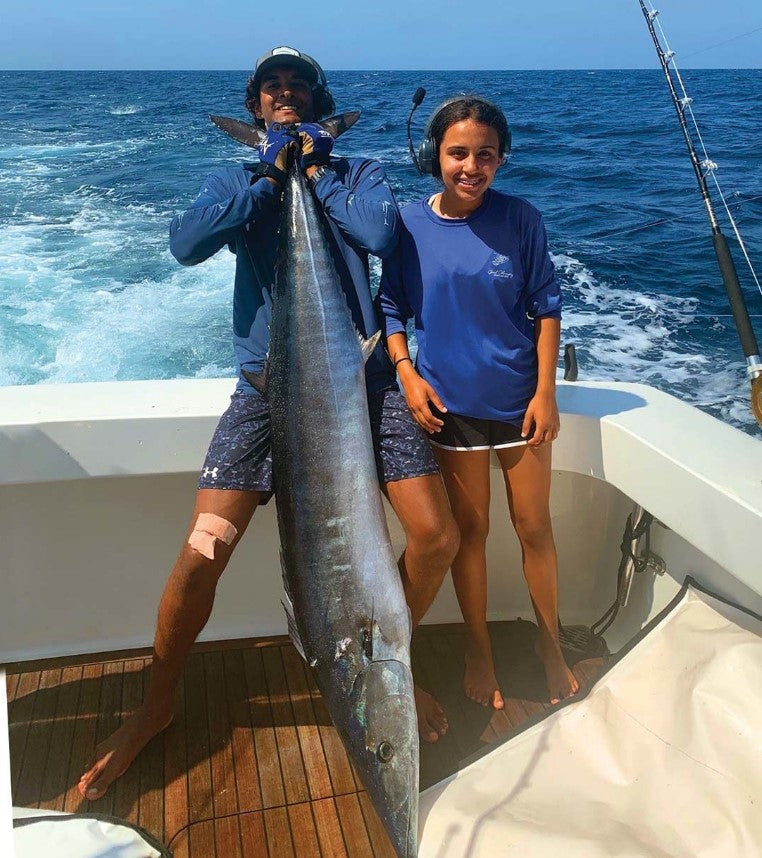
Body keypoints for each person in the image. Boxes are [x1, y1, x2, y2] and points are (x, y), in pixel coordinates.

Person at [78, 47, 459, 802]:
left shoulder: (359, 173)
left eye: (298, 88)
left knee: (437, 537)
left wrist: (315, 170)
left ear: (318, 101)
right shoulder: (236, 176)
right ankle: (157, 704)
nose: (285, 95)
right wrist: (265, 175)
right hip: (266, 389)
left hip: (363, 383)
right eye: (272, 89)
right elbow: (186, 246)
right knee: (201, 552)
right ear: (255, 106)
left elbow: (383, 238)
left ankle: (392, 663)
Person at [378, 95, 579, 709]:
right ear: (434, 155)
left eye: (485, 155)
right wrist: (407, 374)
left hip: (519, 402)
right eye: (457, 153)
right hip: (451, 408)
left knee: (534, 527)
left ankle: (551, 645)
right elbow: (391, 308)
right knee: (472, 532)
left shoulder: (521, 219)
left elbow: (546, 307)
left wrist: (546, 392)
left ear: (500, 159)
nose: (471, 166)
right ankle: (479, 650)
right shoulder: (407, 224)